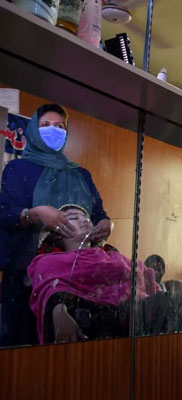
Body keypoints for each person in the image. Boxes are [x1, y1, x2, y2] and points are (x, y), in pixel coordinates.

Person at [0, 104, 111, 346]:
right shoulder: (17, 170)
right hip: (26, 276)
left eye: (59, 127)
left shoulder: (81, 175)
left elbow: (99, 212)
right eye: (45, 125)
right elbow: (4, 214)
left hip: (79, 276)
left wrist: (106, 224)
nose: (53, 131)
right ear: (33, 131)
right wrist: (35, 214)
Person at [27, 204, 160, 343]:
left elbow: (142, 277)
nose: (84, 221)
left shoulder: (113, 257)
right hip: (93, 325)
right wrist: (58, 311)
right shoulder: (49, 261)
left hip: (135, 317)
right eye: (73, 217)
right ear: (56, 232)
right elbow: (48, 290)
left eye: (88, 219)